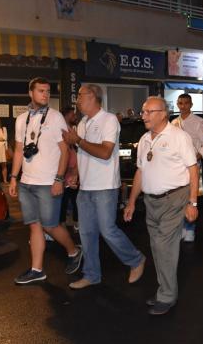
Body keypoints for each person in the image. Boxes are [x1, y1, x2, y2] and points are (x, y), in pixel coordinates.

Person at [62, 84, 146, 290]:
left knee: (107, 230)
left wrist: (79, 141)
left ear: (92, 96)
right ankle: (91, 275)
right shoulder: (82, 123)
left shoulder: (108, 120)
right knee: (87, 233)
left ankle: (135, 260)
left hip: (105, 186)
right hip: (86, 188)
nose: (77, 100)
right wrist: (75, 174)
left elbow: (105, 152)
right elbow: (84, 158)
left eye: (80, 96)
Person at [123, 96, 198, 315]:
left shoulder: (179, 137)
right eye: (143, 111)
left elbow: (193, 169)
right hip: (151, 201)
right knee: (156, 247)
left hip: (174, 198)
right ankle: (163, 289)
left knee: (165, 247)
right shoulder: (145, 139)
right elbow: (140, 171)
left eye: (148, 112)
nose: (143, 115)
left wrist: (192, 202)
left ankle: (167, 295)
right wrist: (131, 202)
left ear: (163, 113)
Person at [9, 77, 83, 284]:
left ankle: (73, 251)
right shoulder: (21, 119)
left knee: (50, 225)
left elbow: (65, 151)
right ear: (30, 93)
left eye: (47, 91)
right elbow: (18, 150)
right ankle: (37, 269)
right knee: (34, 226)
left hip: (48, 182)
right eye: (41, 91)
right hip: (26, 182)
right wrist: (14, 178)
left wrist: (59, 179)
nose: (45, 95)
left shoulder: (56, 117)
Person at [172, 93, 203, 242]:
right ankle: (182, 227)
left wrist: (198, 156)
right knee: (179, 197)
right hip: (177, 166)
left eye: (186, 103)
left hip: (193, 164)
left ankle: (190, 228)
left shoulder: (198, 121)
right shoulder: (174, 122)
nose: (183, 106)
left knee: (191, 198)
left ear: (191, 105)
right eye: (180, 103)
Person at [59, 106, 79, 232]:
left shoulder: (71, 129)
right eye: (73, 114)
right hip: (66, 171)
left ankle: (76, 222)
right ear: (66, 115)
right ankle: (61, 225)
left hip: (74, 170)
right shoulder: (61, 130)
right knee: (63, 200)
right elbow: (64, 151)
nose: (75, 116)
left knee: (75, 199)